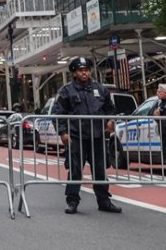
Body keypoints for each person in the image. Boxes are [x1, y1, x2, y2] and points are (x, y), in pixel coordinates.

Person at [53, 57, 122, 215]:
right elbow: (58, 114)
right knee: (76, 170)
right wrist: (63, 132)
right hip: (76, 137)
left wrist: (111, 120)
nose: (84, 73)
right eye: (81, 70)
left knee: (100, 170)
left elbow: (110, 108)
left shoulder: (100, 89)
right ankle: (72, 201)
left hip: (97, 136)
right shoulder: (66, 91)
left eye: (86, 70)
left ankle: (104, 200)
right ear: (74, 73)